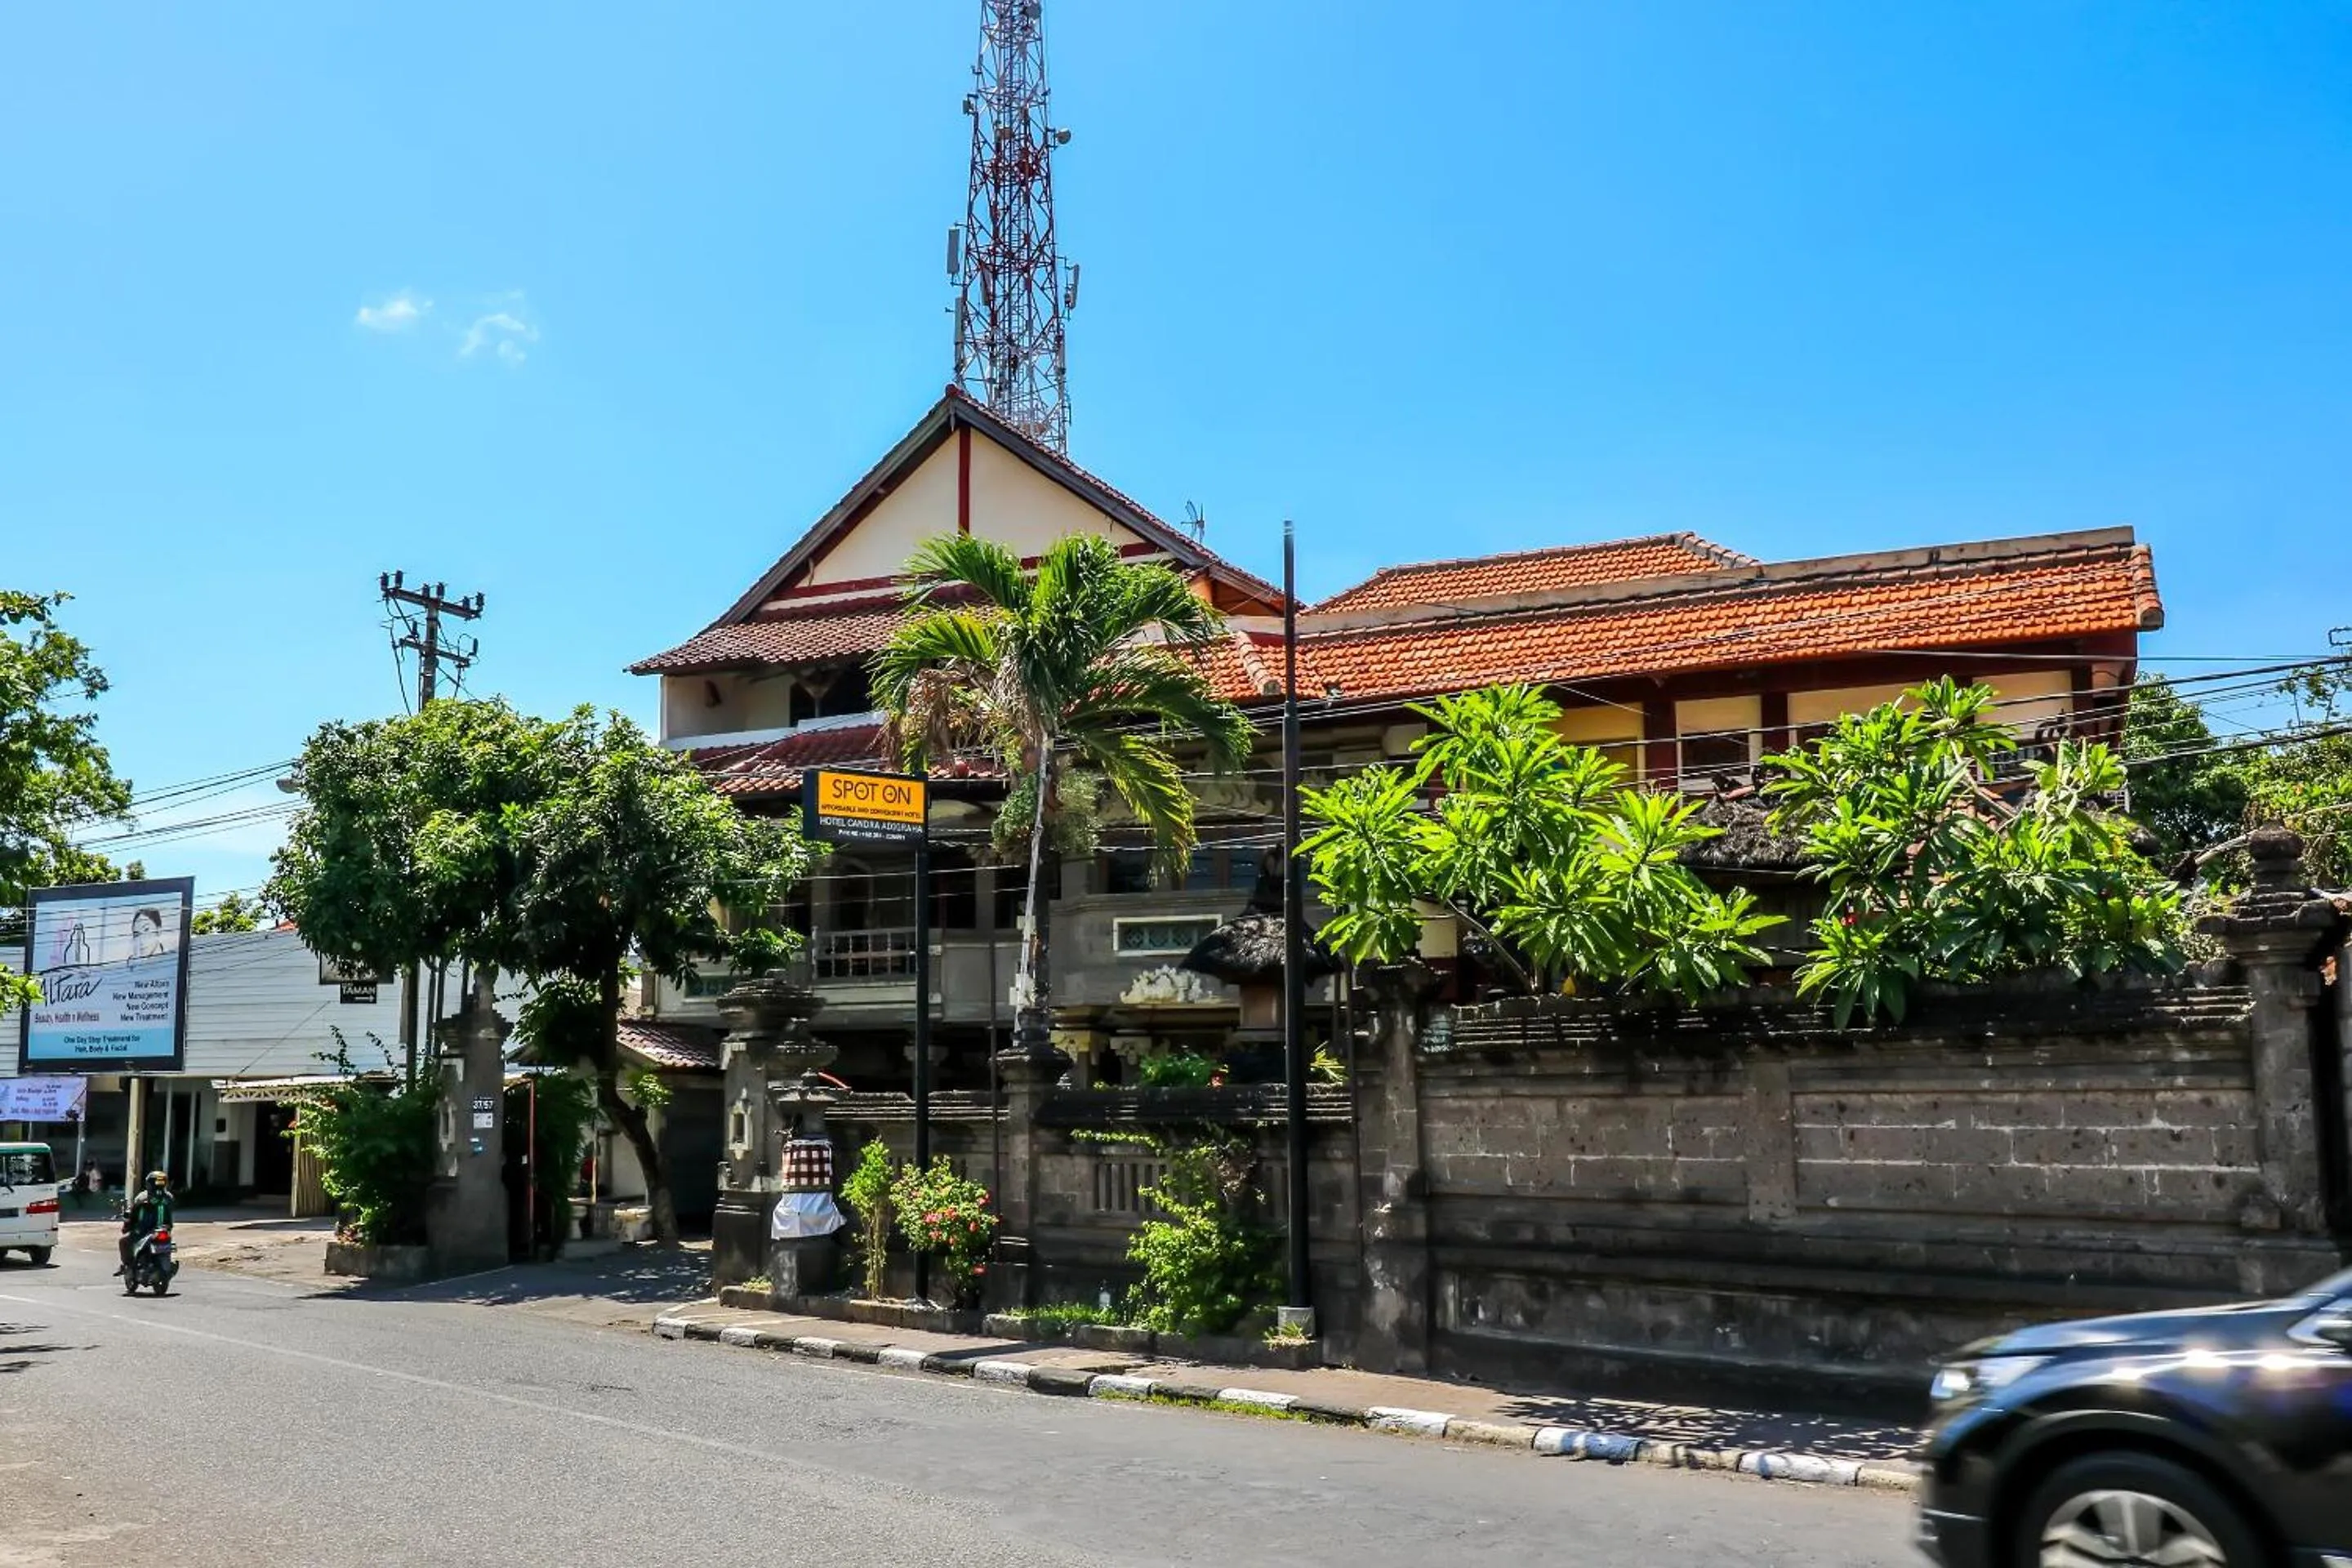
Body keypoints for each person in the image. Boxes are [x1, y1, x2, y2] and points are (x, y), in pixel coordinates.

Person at [117, 1170, 173, 1276]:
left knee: (123, 1241)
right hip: (165, 1229)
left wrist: (127, 1225)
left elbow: (133, 1214)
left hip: (143, 1231)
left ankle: (128, 1266)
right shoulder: (169, 1197)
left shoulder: (142, 1197)